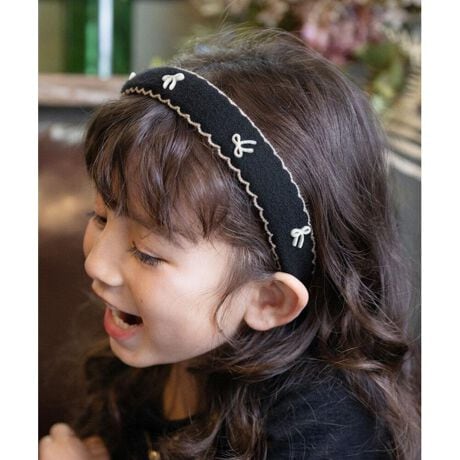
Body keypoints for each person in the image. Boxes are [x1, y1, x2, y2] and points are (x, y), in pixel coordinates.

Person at [39, 28, 420, 460]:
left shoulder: (323, 429)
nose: (96, 264)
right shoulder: (153, 352)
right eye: (100, 216)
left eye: (147, 252)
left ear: (268, 299)